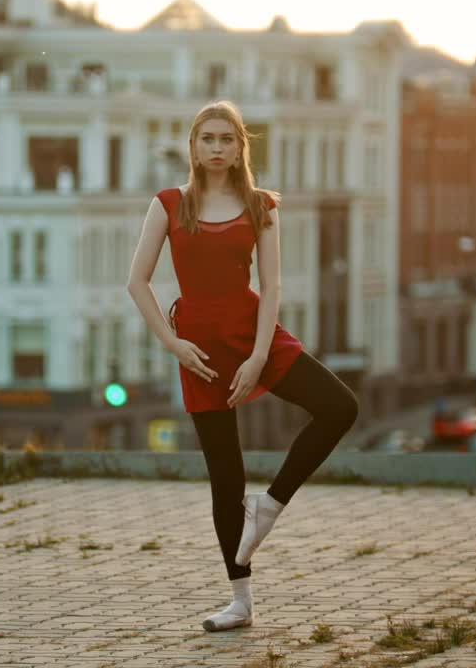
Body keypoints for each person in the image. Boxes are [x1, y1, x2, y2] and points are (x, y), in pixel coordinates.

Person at [126, 100, 359, 632]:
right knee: (224, 478)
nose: (215, 148)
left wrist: (258, 356)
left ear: (240, 148)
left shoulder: (260, 205)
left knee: (339, 406)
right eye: (206, 138)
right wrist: (173, 345)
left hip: (255, 335)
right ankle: (240, 600)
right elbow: (136, 282)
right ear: (193, 146)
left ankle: (271, 506)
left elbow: (274, 285)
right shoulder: (167, 204)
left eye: (225, 139)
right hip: (200, 351)